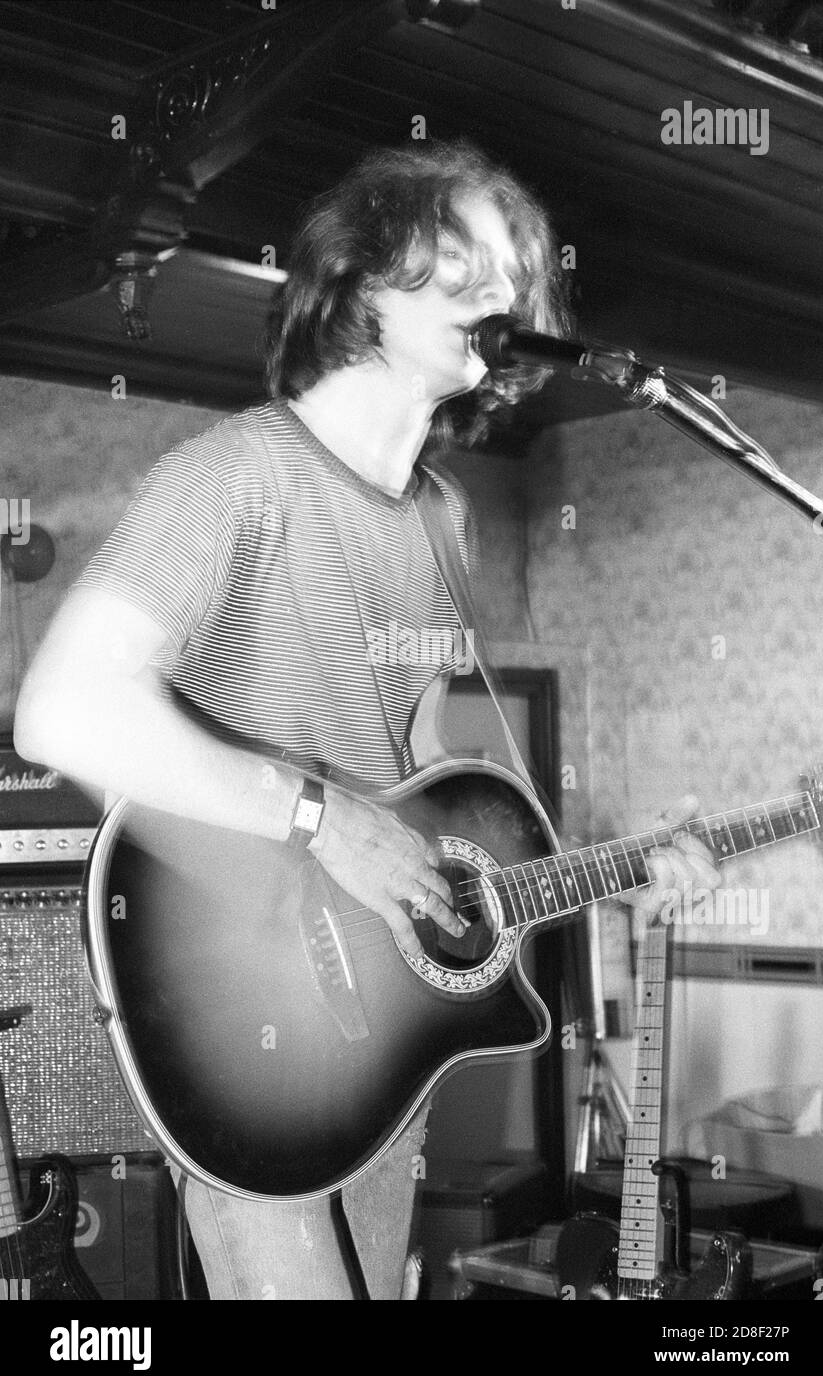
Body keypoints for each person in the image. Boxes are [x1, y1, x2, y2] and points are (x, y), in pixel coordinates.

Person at [13, 139, 719, 1300]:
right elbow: (62, 708)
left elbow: (429, 795)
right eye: (458, 265)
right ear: (360, 282)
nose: (497, 297)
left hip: (378, 1050)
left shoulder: (441, 522)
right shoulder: (235, 473)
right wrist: (315, 816)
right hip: (245, 1029)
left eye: (510, 277)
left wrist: (624, 866)